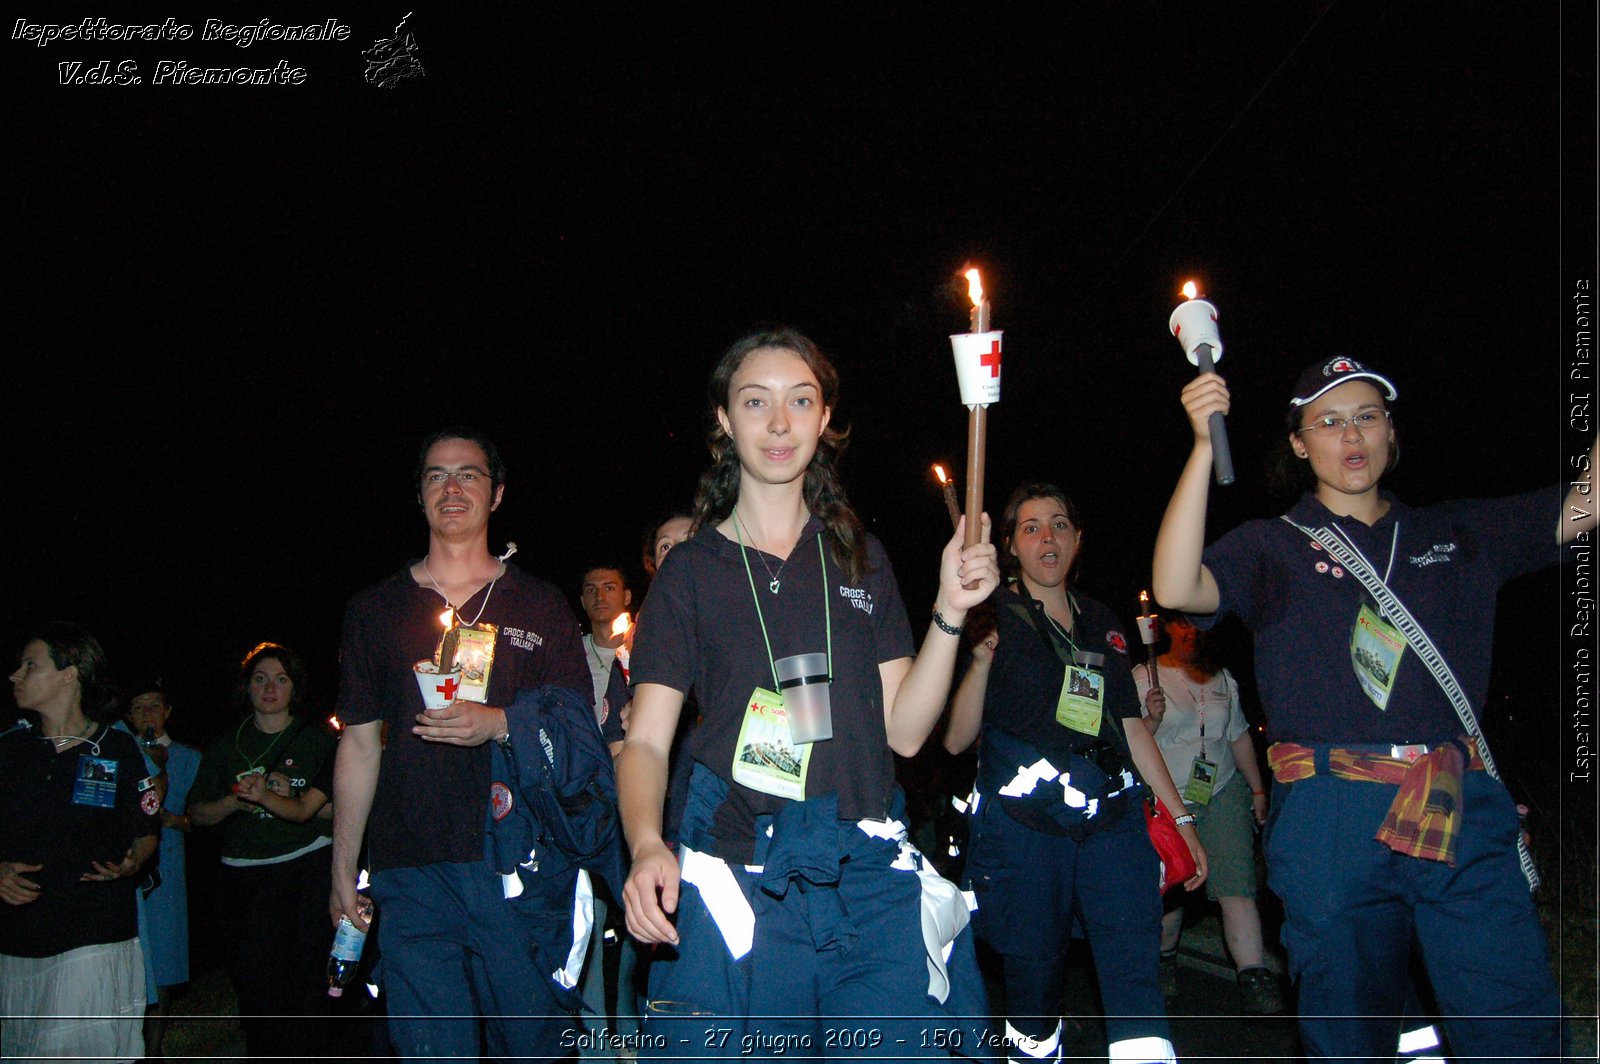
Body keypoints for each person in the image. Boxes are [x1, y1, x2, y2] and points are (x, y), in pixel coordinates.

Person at [1151, 356, 1596, 1060]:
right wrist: (1205, 446)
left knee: (1513, 1026)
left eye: (1366, 415)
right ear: (1300, 445)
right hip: (1331, 814)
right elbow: (1176, 585)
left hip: (1456, 802)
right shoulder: (1273, 547)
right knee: (1349, 1031)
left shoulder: (1458, 534)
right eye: (1326, 421)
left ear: (1390, 432)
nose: (1349, 433)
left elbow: (1587, 502)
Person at [619, 328, 1001, 1056]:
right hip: (745, 877)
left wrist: (949, 612)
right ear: (725, 424)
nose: (779, 422)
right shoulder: (690, 573)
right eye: (755, 402)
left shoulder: (861, 556)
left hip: (867, 876)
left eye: (801, 400)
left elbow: (908, 732)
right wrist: (644, 844)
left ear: (825, 421)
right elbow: (644, 740)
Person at [330, 427, 593, 1061]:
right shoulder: (374, 611)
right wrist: (342, 872)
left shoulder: (539, 604)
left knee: (531, 1047)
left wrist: (499, 723)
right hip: (409, 866)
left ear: (497, 494)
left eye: (469, 474)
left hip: (519, 867)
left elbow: (580, 733)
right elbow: (360, 748)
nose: (452, 487)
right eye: (436, 475)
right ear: (419, 495)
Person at [944, 484, 1206, 1064]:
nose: (1047, 537)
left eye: (1060, 524)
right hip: (1027, 827)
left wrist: (1181, 817)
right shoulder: (992, 616)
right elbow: (958, 738)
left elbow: (1131, 728)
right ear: (1010, 545)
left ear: (1077, 539)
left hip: (1111, 821)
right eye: (1031, 527)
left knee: (1134, 963)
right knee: (1034, 977)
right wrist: (982, 659)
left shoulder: (1104, 622)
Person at [1, 623, 160, 1063]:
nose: (15, 675)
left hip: (93, 933)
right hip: (17, 940)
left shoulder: (118, 748)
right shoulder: (9, 748)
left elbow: (146, 830)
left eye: (30, 665)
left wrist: (133, 862)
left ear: (69, 675)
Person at [188, 642, 337, 1061]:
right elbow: (197, 813)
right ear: (247, 687)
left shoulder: (316, 740)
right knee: (255, 982)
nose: (270, 688)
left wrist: (295, 794)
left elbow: (341, 810)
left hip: (305, 867)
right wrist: (236, 801)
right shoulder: (224, 745)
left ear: (295, 688)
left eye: (281, 679)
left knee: (307, 980)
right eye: (260, 678)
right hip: (244, 875)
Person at [1133, 617, 1281, 1013]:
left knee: (1237, 882)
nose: (1190, 632)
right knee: (1175, 891)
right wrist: (1152, 718)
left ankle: (1254, 977)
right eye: (1182, 625)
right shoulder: (1145, 674)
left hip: (1221, 791)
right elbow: (1131, 738)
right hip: (1169, 798)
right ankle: (1163, 960)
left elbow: (1237, 735)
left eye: (1197, 626)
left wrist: (1258, 788)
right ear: (1166, 629)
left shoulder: (1222, 677)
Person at [126, 679, 203, 1056]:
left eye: (153, 707)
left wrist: (176, 820)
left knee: (164, 958)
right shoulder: (119, 751)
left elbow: (200, 817)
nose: (146, 715)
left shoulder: (190, 757)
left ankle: (154, 1048)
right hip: (128, 870)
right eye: (138, 708)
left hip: (168, 870)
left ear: (167, 712)